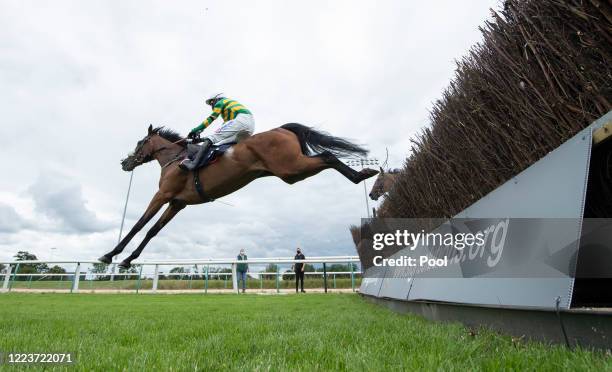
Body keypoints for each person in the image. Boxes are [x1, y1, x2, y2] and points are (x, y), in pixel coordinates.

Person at [180, 94, 255, 171]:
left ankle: (193, 164)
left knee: (212, 139)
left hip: (241, 120)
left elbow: (212, 118)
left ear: (216, 99)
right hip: (250, 126)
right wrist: (200, 140)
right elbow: (221, 134)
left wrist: (196, 130)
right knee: (219, 144)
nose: (212, 106)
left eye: (211, 103)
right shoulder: (230, 109)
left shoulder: (221, 102)